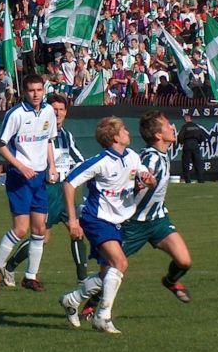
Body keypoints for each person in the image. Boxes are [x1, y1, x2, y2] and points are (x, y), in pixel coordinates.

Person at [82, 111, 193, 319]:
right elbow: (133, 181)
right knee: (111, 269)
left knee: (184, 261)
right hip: (133, 224)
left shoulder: (163, 153)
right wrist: (139, 183)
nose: (172, 128)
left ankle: (169, 281)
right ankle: (90, 302)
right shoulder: (148, 159)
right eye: (168, 125)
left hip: (158, 219)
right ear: (158, 135)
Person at [58, 117, 155, 335]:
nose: (128, 132)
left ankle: (71, 300)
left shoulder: (132, 156)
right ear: (114, 137)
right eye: (124, 130)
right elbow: (69, 183)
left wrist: (148, 180)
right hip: (96, 219)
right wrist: (73, 220)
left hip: (119, 222)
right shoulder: (100, 161)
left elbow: (147, 179)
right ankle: (102, 317)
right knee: (120, 263)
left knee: (107, 274)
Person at [0, 74, 58, 293]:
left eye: (39, 90)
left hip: (39, 178)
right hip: (20, 178)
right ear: (25, 92)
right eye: (32, 90)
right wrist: (20, 166)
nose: (36, 94)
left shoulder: (48, 111)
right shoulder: (15, 114)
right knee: (21, 229)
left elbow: (48, 141)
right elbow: (1, 145)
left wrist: (51, 166)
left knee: (40, 229)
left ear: (44, 90)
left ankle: (30, 276)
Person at [1, 94, 88, 286]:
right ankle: (9, 266)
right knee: (43, 236)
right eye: (54, 109)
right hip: (46, 189)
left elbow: (78, 158)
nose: (57, 113)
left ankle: (83, 279)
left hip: (63, 191)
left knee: (77, 230)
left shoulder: (66, 135)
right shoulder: (38, 131)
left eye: (61, 110)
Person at [177, 114, 208, 183]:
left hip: (187, 145)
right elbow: (202, 136)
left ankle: (188, 180)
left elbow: (180, 136)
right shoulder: (196, 126)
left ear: (186, 118)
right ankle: (201, 180)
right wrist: (198, 142)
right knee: (197, 163)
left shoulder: (185, 127)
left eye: (184, 118)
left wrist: (182, 143)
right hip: (195, 145)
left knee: (186, 163)